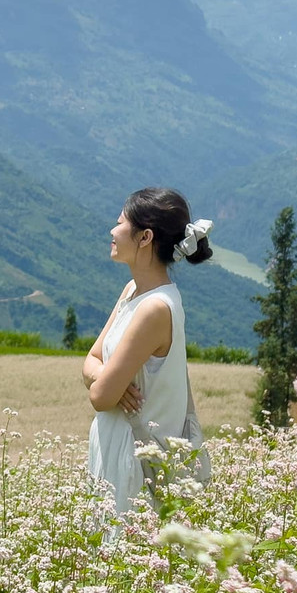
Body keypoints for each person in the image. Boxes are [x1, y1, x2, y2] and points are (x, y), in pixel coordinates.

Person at [85, 187, 214, 514]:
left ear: (145, 237)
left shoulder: (154, 308)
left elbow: (99, 397)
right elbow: (91, 361)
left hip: (133, 461)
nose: (113, 231)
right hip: (116, 446)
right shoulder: (133, 291)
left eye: (120, 223)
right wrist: (110, 381)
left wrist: (109, 386)